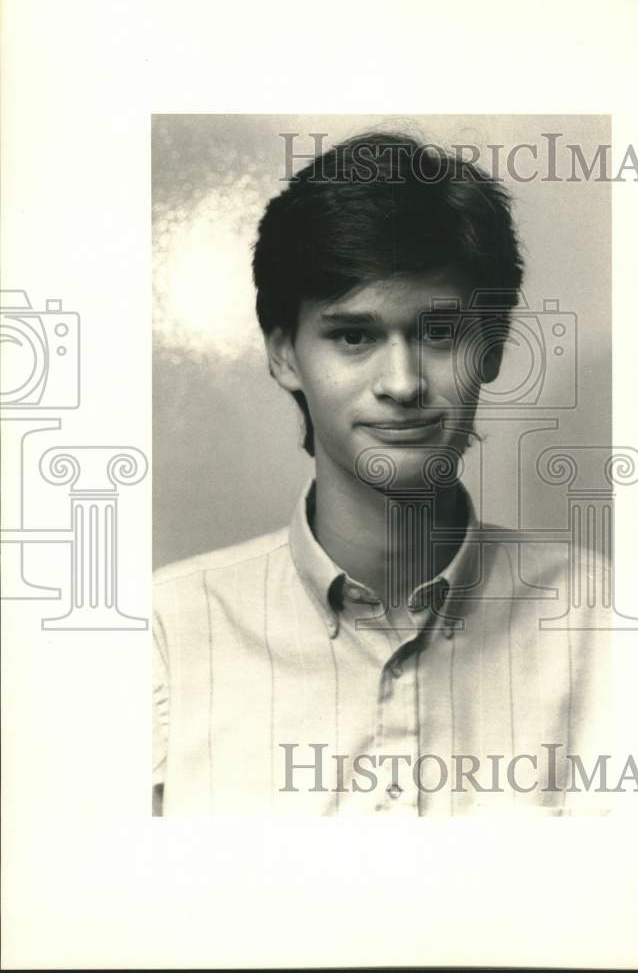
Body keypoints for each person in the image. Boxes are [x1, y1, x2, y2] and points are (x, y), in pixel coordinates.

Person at [152, 130, 611, 817]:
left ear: (491, 348)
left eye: (439, 333)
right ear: (284, 355)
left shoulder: (602, 621)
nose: (401, 383)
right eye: (354, 336)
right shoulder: (165, 633)